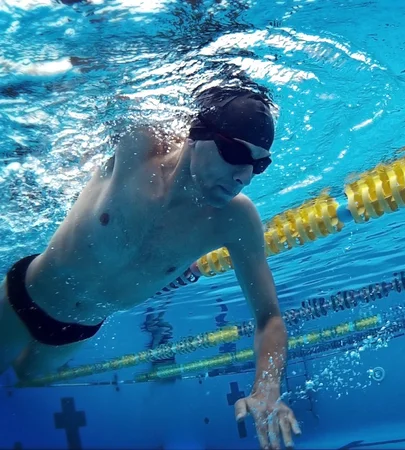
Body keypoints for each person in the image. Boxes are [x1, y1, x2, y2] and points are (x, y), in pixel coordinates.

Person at [0, 85, 301, 449]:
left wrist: (267, 388)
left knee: (27, 374)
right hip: (27, 293)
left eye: (259, 163)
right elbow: (97, 72)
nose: (244, 176)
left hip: (78, 331)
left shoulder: (234, 219)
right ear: (198, 133)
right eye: (235, 152)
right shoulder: (138, 146)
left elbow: (269, 317)